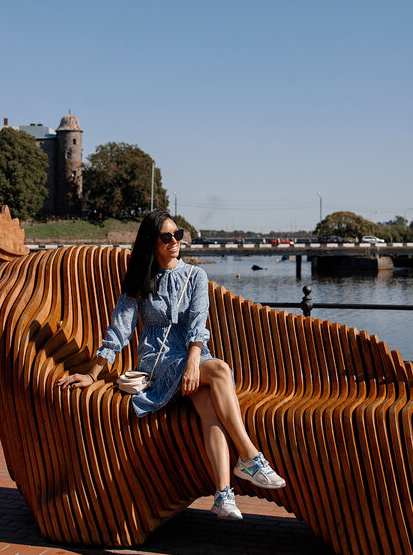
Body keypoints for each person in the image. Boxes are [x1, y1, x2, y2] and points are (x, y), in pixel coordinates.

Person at [56, 210, 285, 520]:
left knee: (209, 408)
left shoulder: (195, 276)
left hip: (193, 357)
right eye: (167, 237)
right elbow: (120, 329)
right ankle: (250, 456)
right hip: (159, 361)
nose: (175, 241)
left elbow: (197, 325)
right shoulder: (140, 279)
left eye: (178, 235)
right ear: (152, 242)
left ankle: (223, 494)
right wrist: (91, 373)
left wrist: (193, 364)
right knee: (220, 370)